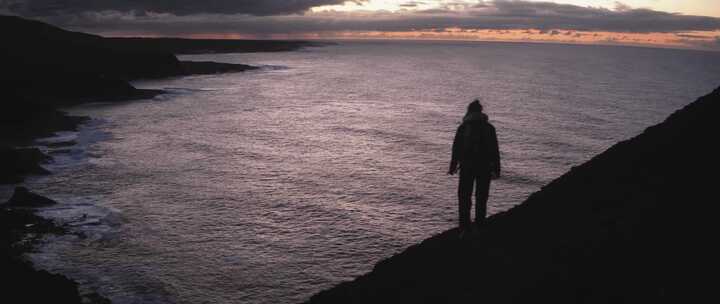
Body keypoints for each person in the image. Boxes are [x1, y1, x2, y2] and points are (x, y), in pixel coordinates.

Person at [448, 100, 501, 237]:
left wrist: (453, 166)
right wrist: (497, 168)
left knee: (464, 197)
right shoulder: (489, 128)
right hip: (485, 167)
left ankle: (465, 228)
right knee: (481, 197)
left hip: (467, 167)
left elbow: (456, 148)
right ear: (481, 111)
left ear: (469, 111)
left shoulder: (464, 127)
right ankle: (479, 226)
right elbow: (495, 150)